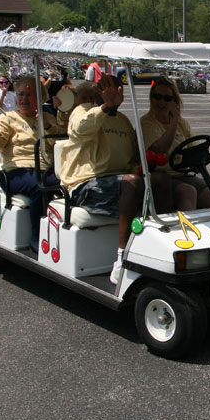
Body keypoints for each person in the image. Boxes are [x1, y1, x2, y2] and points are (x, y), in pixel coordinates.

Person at [58, 75, 142, 284]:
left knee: (158, 181)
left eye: (115, 89)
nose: (112, 93)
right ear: (99, 92)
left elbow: (131, 157)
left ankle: (151, 250)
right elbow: (81, 129)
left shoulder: (122, 121)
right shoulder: (83, 112)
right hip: (84, 184)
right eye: (106, 89)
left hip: (115, 183)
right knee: (130, 183)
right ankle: (122, 257)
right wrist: (105, 107)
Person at [0, 77, 68, 252]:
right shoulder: (8, 119)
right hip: (16, 172)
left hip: (44, 170)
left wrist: (53, 120)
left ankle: (63, 236)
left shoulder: (46, 118)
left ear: (39, 98)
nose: (25, 99)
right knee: (39, 187)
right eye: (21, 94)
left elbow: (60, 142)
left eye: (30, 95)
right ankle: (36, 236)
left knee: (69, 185)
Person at [139, 77, 210, 211]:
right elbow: (160, 149)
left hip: (183, 175)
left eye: (167, 98)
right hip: (159, 177)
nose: (161, 102)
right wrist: (173, 122)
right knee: (188, 192)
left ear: (174, 101)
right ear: (151, 98)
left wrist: (198, 163)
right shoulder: (146, 123)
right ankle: (185, 231)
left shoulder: (183, 123)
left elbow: (194, 149)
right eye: (157, 97)